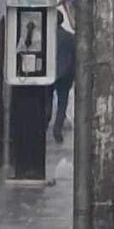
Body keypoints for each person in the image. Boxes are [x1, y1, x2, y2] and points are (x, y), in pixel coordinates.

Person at [46, 14, 76, 143]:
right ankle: (57, 129)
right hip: (65, 74)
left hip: (50, 73)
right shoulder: (70, 37)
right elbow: (75, 57)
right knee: (62, 103)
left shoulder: (47, 37)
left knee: (47, 100)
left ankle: (45, 124)